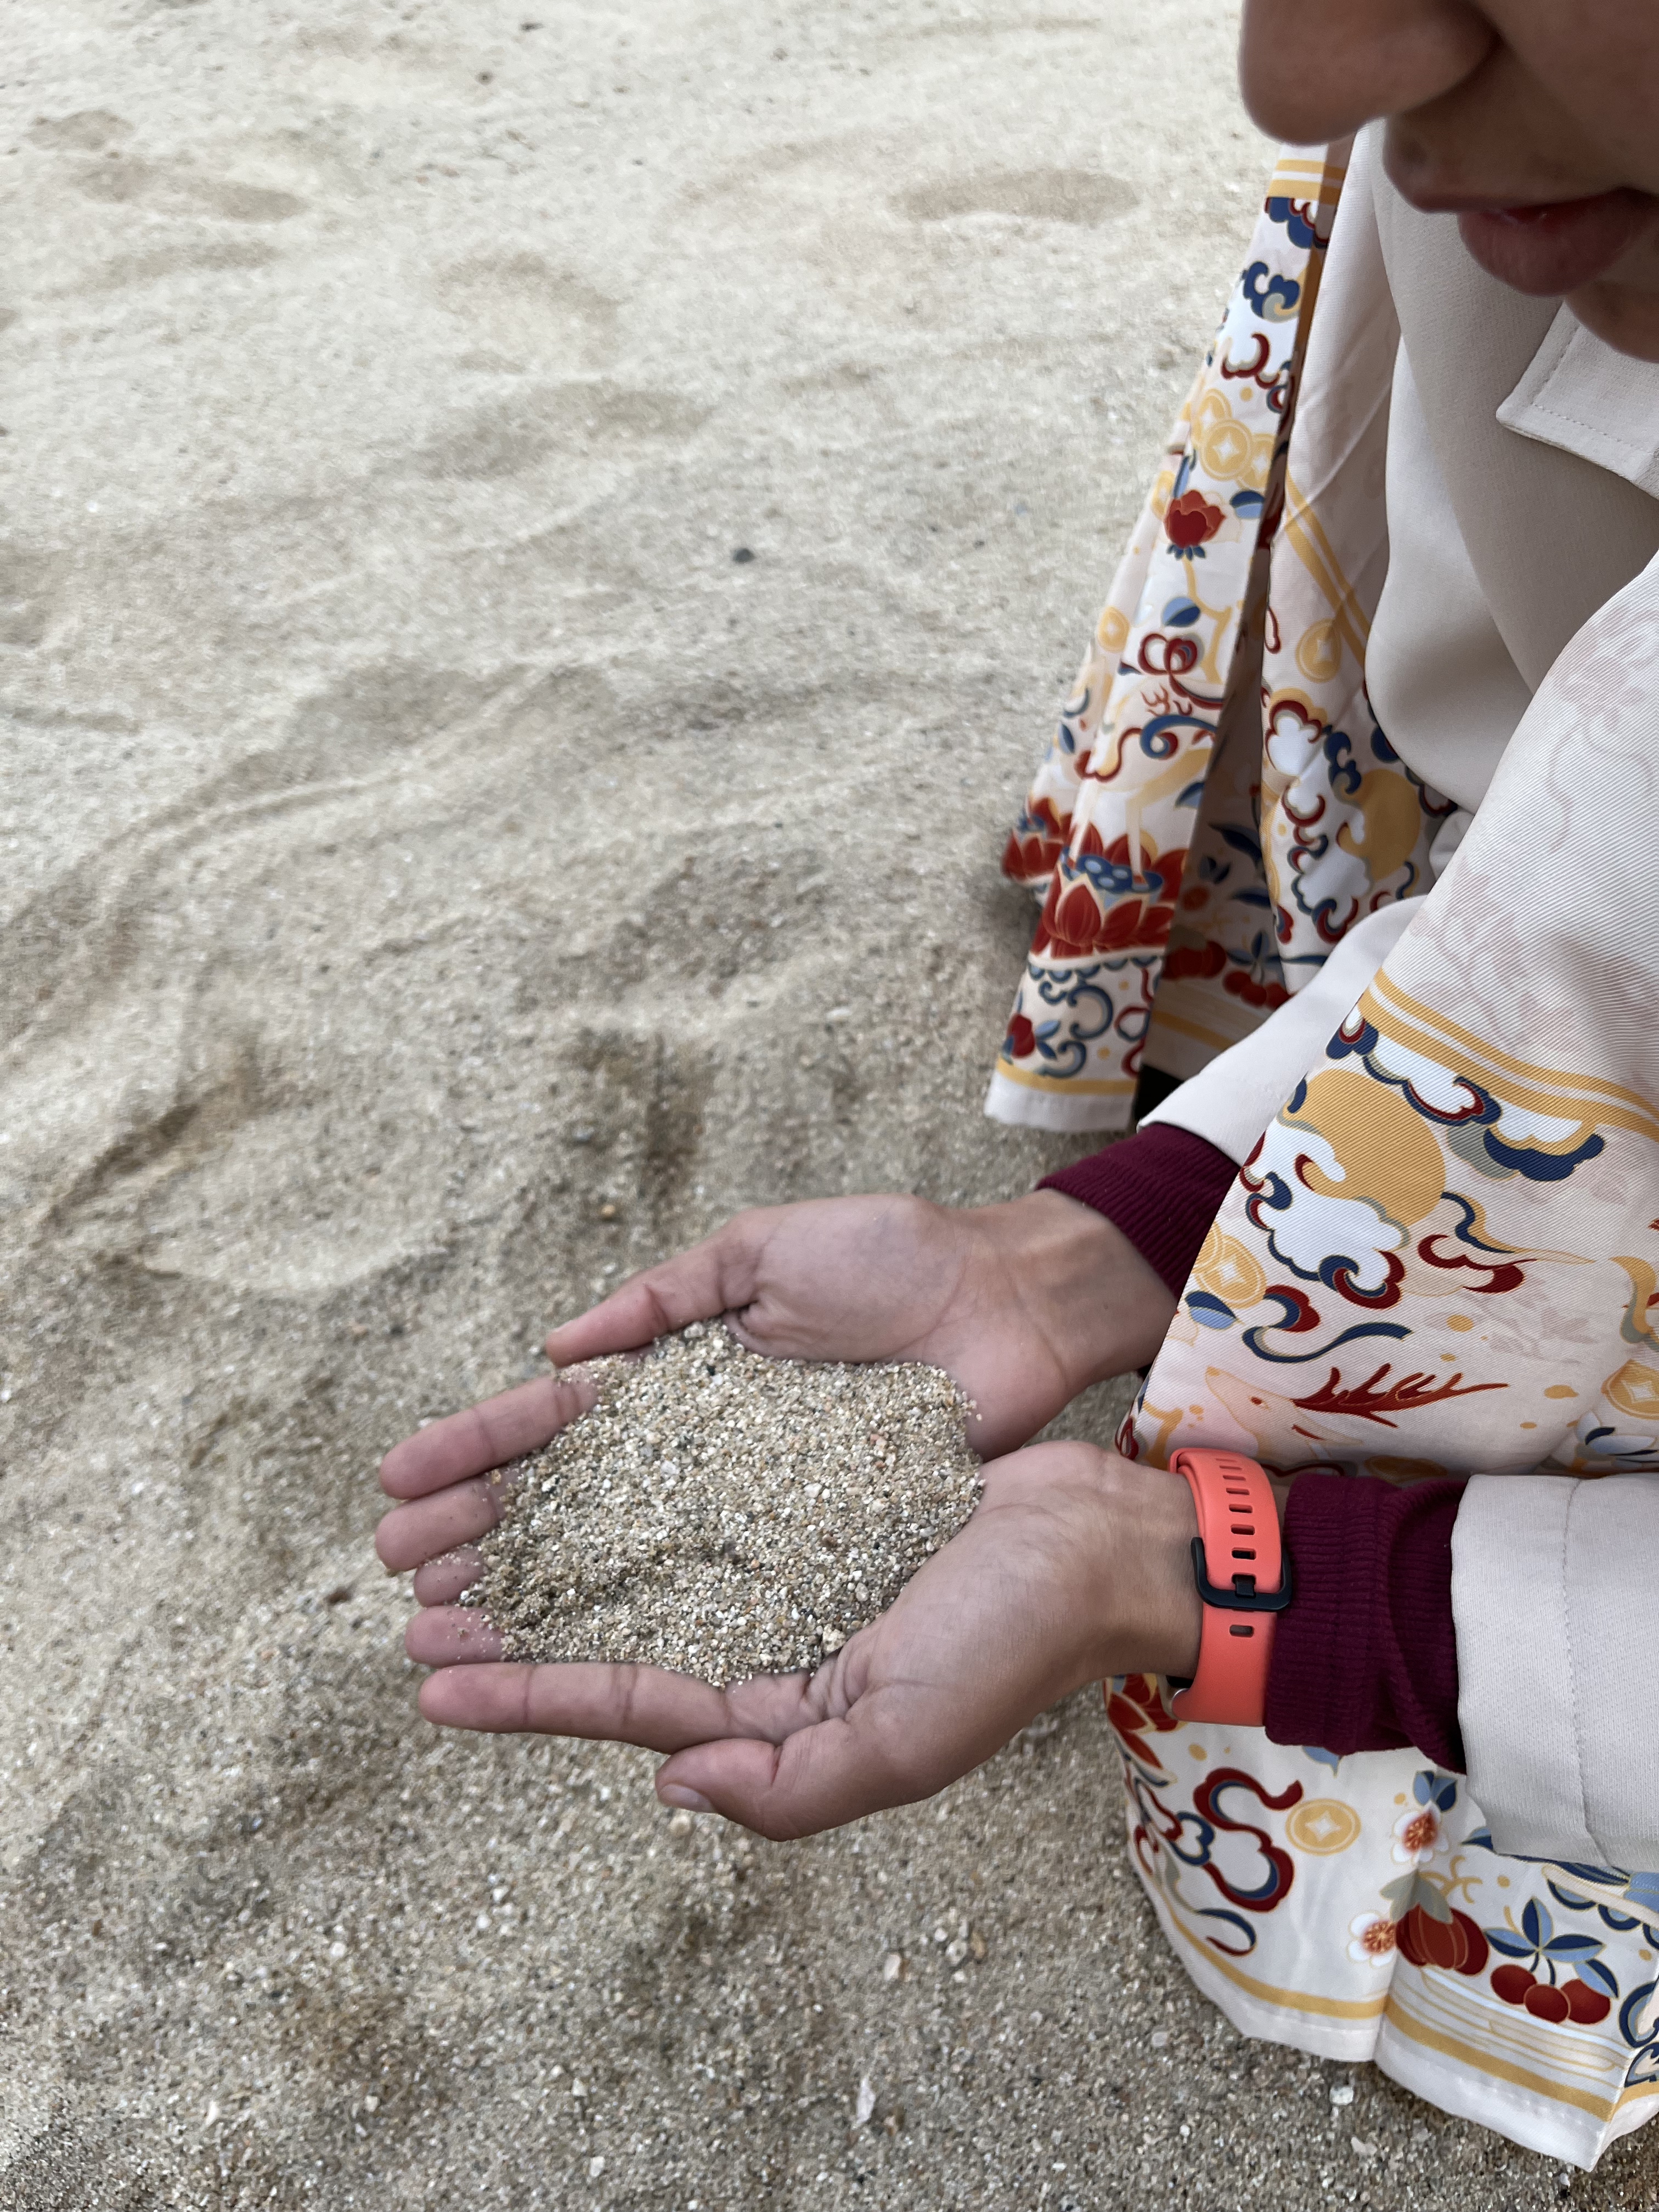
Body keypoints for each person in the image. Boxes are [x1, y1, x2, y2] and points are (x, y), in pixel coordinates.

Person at [376, 0, 1659, 2168]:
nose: (1302, 78)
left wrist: (1220, 1581)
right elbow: (1548, 871)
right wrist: (1082, 1256)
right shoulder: (1495, 210)